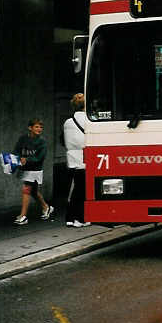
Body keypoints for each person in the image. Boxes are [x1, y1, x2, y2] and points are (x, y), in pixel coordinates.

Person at [13, 118, 52, 225]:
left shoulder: (42, 141)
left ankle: (23, 216)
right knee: (33, 192)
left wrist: (27, 159)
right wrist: (17, 158)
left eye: (41, 127)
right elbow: (16, 150)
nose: (39, 129)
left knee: (26, 189)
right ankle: (46, 207)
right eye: (36, 127)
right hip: (25, 168)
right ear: (30, 128)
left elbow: (40, 157)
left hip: (35, 169)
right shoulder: (23, 138)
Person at [63, 94, 90, 228]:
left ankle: (70, 218)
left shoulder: (68, 122)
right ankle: (79, 218)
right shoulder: (89, 120)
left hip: (71, 159)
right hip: (84, 159)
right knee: (81, 191)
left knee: (74, 190)